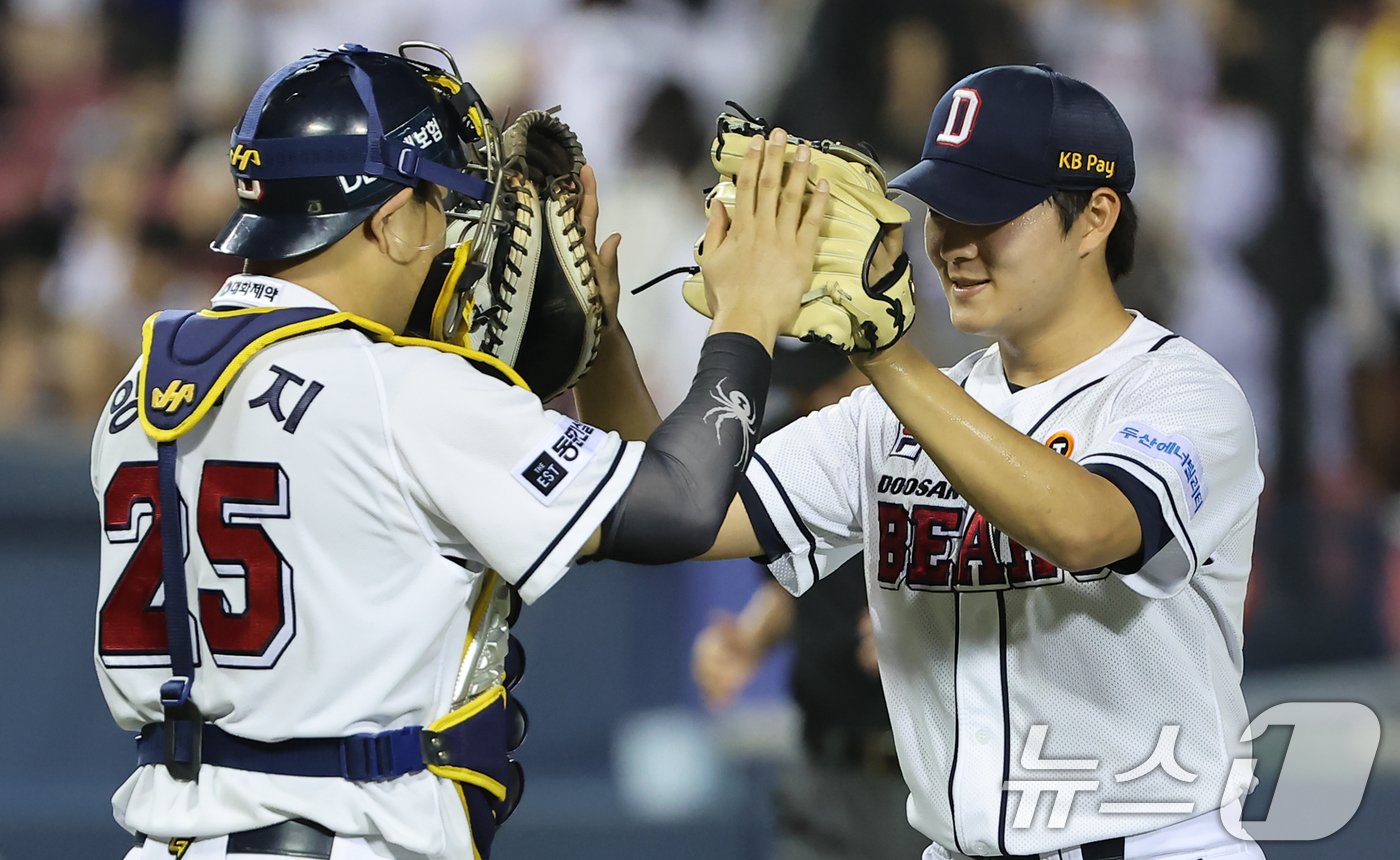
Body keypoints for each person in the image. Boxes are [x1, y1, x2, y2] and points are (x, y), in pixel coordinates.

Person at [92, 42, 828, 860]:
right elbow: (683, 503)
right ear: (392, 219)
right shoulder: (403, 391)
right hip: (342, 838)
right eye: (444, 201)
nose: (459, 231)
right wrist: (749, 313)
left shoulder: (140, 385)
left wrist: (601, 344)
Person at [582, 64, 1267, 859]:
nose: (952, 243)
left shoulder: (1182, 393)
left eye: (990, 211)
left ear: (1095, 218)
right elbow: (667, 512)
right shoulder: (885, 416)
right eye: (942, 209)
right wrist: (599, 345)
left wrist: (883, 356)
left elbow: (1088, 527)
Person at [692, 343, 929, 860]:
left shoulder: (941, 444)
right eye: (800, 386)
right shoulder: (789, 438)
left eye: (825, 382)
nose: (811, 401)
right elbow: (793, 584)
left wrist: (926, 628)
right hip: (820, 761)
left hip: (918, 775)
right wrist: (751, 638)